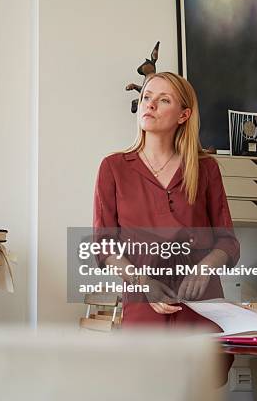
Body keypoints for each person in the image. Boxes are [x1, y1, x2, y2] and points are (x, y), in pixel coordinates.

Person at [93, 72, 239, 383]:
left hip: (203, 310)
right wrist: (143, 281)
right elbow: (104, 246)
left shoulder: (207, 169)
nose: (151, 105)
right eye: (147, 97)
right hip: (144, 308)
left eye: (164, 100)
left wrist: (204, 269)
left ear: (184, 115)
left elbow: (227, 241)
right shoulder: (114, 168)